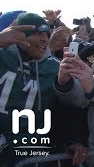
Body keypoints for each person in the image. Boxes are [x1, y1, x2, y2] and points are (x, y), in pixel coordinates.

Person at [0, 12, 60, 163]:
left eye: (47, 35)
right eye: (38, 33)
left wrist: (74, 139)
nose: (44, 39)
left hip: (32, 154)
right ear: (18, 35)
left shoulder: (55, 67)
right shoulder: (3, 56)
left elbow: (73, 104)